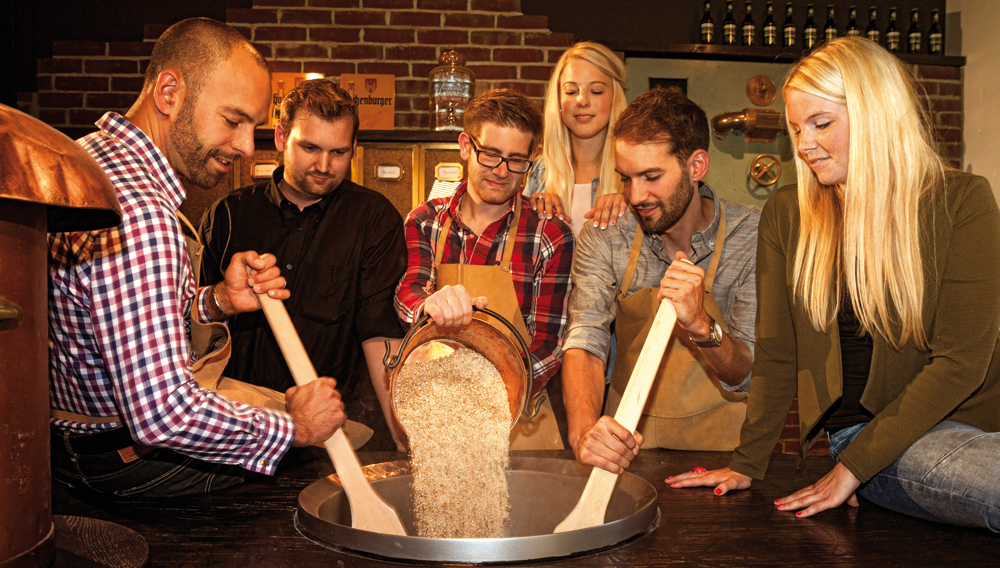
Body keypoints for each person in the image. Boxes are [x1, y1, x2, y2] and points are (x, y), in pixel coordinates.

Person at [668, 37, 1000, 531]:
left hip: (970, 425)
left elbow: (960, 363)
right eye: (797, 128)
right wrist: (749, 463)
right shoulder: (787, 214)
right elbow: (779, 357)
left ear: (876, 114)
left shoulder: (964, 202)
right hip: (864, 438)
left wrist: (852, 472)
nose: (803, 145)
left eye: (822, 124)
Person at [48, 18, 345, 498]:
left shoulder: (89, 159)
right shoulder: (142, 212)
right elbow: (164, 414)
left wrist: (218, 301)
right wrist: (294, 429)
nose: (247, 148)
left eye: (253, 127)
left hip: (68, 446)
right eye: (233, 120)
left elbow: (115, 315)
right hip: (111, 461)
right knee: (315, 479)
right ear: (169, 92)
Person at [198, 80, 408, 451]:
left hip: (337, 437)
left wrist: (402, 437)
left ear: (355, 147)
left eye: (339, 152)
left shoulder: (374, 218)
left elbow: (380, 335)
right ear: (281, 137)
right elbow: (197, 326)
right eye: (309, 148)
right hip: (243, 429)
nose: (324, 166)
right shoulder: (228, 214)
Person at [562, 86, 760, 473]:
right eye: (626, 178)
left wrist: (701, 325)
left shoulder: (751, 234)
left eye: (652, 176)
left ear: (696, 166)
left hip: (723, 461)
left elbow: (747, 371)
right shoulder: (607, 234)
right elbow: (586, 338)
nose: (636, 196)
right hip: (624, 455)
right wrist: (584, 435)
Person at [394, 89, 575, 449]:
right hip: (436, 410)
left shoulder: (549, 234)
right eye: (490, 155)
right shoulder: (425, 220)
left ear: (533, 157)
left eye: (516, 160)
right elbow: (409, 290)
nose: (501, 172)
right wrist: (426, 306)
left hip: (520, 419)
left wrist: (494, 396)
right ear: (465, 145)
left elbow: (550, 343)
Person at [524, 41, 629, 235]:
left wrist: (631, 211)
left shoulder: (635, 174)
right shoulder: (539, 171)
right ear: (559, 101)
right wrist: (527, 214)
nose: (582, 100)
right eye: (571, 91)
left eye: (596, 91)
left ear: (615, 97)